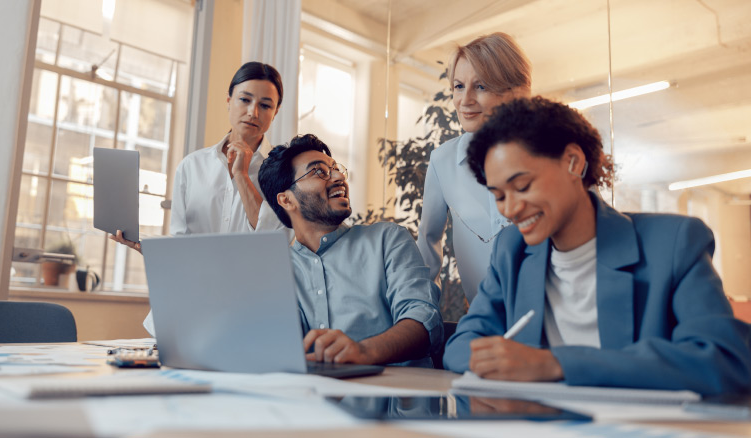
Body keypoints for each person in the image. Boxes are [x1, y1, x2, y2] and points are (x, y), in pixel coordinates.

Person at [442, 96, 751, 395]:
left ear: (573, 162)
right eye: (498, 195)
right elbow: (461, 345)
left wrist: (556, 364)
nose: (509, 209)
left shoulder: (673, 243)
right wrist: (496, 360)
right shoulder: (512, 251)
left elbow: (725, 359)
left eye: (522, 186)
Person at [110, 62, 289, 335]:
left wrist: (241, 175)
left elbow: (276, 241)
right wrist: (147, 246)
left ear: (275, 113)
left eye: (265, 105)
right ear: (229, 101)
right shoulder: (191, 167)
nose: (253, 112)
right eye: (245, 99)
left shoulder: (285, 171)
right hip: (190, 305)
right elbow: (183, 245)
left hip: (249, 309)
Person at [258, 134, 443, 367]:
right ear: (286, 200)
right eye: (319, 172)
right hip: (312, 399)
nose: (338, 177)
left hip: (394, 399)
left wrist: (363, 352)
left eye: (336, 169)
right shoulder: (278, 271)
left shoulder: (388, 239)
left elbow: (425, 320)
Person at [417, 32, 531, 304]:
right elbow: (427, 249)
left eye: (480, 87)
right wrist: (422, 320)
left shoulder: (552, 149)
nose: (464, 100)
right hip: (483, 320)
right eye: (458, 86)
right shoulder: (442, 161)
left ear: (515, 92)